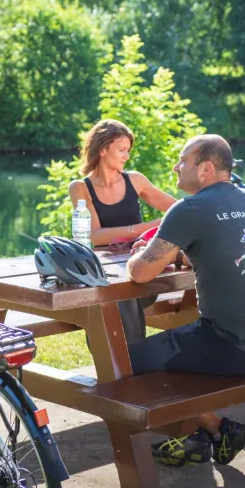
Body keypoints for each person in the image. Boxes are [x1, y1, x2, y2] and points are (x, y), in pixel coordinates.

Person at [126, 134, 245, 468]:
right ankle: (197, 435)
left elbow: (140, 273)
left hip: (232, 348)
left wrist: (137, 256)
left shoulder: (189, 207)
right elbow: (224, 248)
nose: (176, 166)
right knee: (179, 342)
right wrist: (184, 256)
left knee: (123, 362)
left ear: (206, 168)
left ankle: (215, 427)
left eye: (183, 160)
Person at [68, 119, 177, 343]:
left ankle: (124, 365)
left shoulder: (135, 180)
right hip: (103, 272)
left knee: (116, 298)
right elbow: (94, 236)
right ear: (102, 150)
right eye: (121, 150)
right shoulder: (80, 188)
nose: (126, 156)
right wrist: (146, 227)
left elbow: (179, 209)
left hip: (140, 268)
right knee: (114, 296)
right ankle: (127, 365)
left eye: (128, 150)